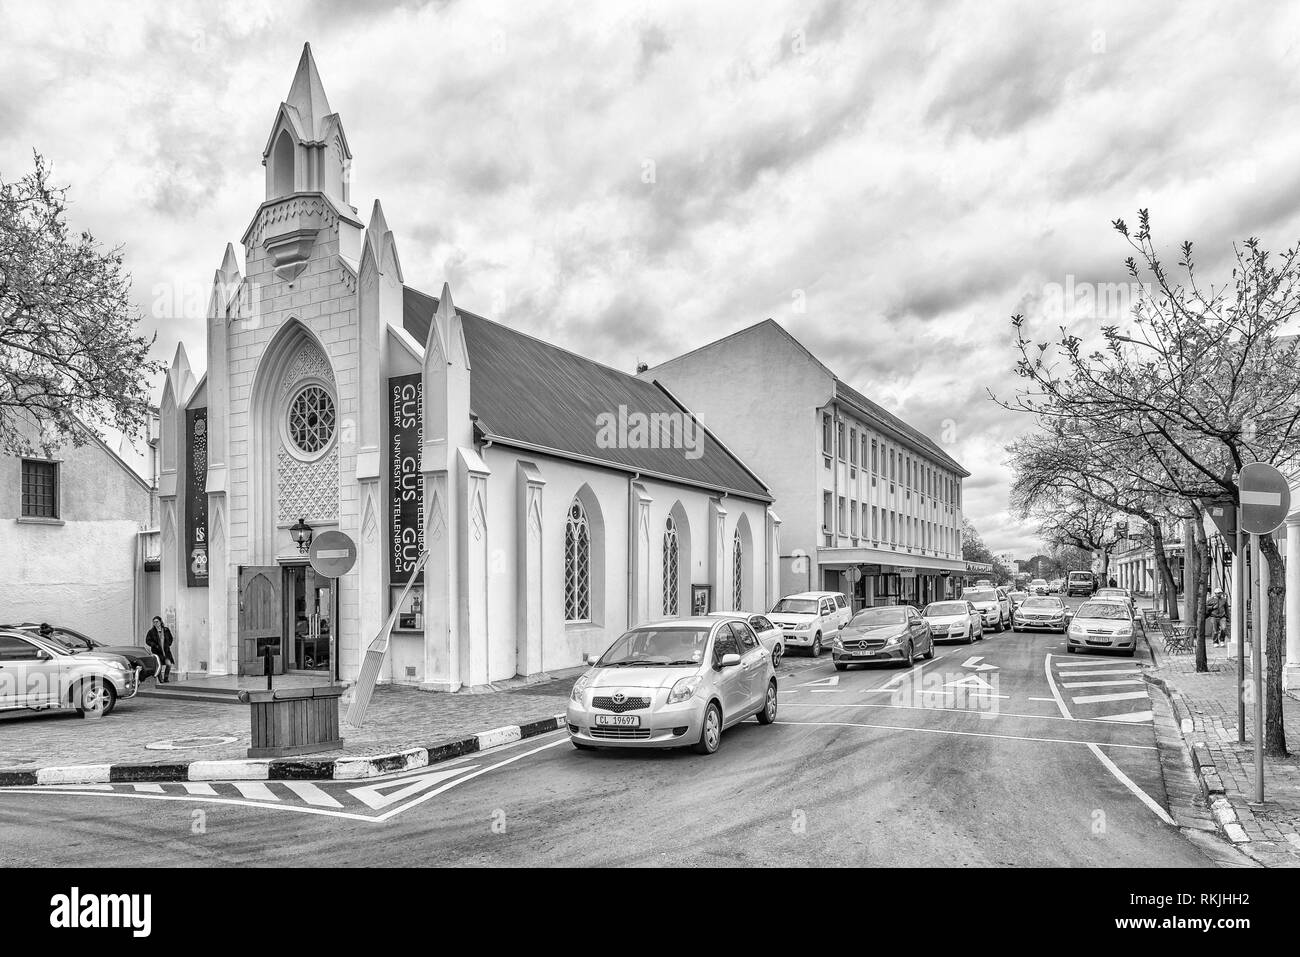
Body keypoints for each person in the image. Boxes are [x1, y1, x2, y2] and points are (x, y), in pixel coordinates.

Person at [145, 616, 176, 683]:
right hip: (157, 651)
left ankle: (166, 678)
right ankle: (161, 680)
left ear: (160, 622)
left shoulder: (166, 630)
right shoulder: (151, 632)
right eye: (154, 622)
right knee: (159, 666)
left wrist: (168, 644)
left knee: (169, 664)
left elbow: (171, 638)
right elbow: (147, 641)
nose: (155, 623)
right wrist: (154, 645)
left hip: (166, 651)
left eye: (157, 621)